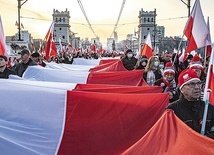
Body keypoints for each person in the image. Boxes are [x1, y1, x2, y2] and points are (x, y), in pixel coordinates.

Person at [166, 68, 214, 139]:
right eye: (192, 84)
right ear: (182, 89)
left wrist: (207, 138)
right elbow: (168, 135)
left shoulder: (209, 108)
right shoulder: (172, 110)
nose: (197, 87)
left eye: (198, 83)